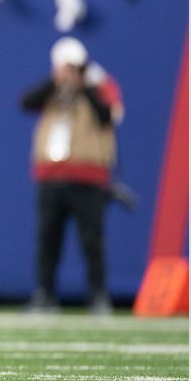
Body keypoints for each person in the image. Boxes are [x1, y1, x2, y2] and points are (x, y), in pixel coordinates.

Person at [20, 37, 124, 315]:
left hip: (87, 176)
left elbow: (108, 115)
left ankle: (98, 296)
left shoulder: (101, 87)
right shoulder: (55, 89)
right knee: (48, 239)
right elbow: (26, 102)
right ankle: (44, 295)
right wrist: (57, 81)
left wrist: (85, 84)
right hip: (51, 175)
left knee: (91, 240)